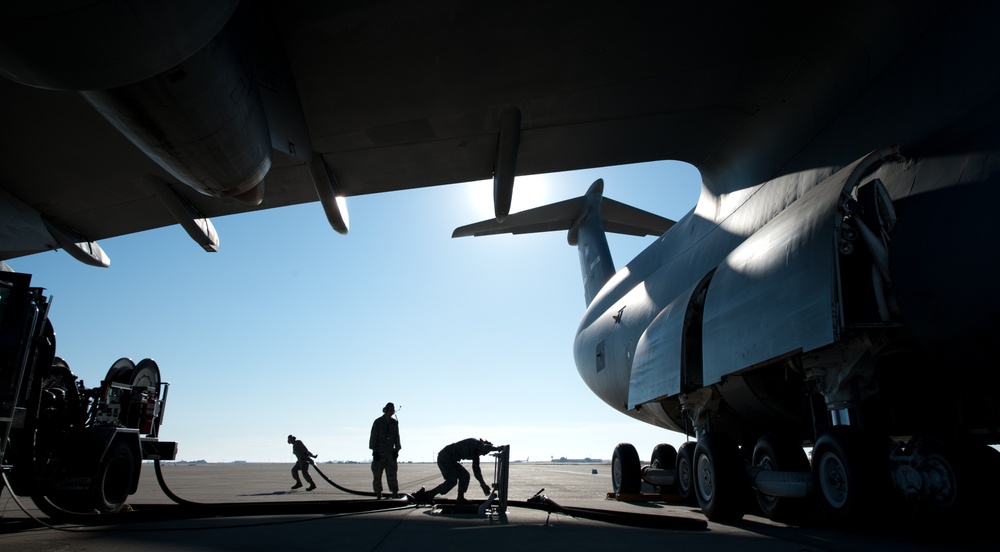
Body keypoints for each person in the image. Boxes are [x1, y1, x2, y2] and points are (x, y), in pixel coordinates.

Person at [413, 438, 497, 504]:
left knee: (464, 475)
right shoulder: (473, 442)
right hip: (445, 457)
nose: (482, 454)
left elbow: (477, 472)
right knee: (452, 481)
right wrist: (499, 448)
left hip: (451, 460)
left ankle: (459, 498)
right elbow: (484, 447)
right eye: (483, 452)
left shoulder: (475, 455)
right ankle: (429, 495)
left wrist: (483, 484)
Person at [369, 402, 401, 499]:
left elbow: (397, 437)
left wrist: (397, 450)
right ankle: (378, 494)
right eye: (390, 409)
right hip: (379, 454)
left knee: (392, 475)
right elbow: (373, 437)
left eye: (393, 410)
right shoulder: (378, 422)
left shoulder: (394, 423)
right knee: (377, 476)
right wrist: (374, 451)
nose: (392, 411)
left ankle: (394, 493)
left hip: (390, 454)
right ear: (386, 410)